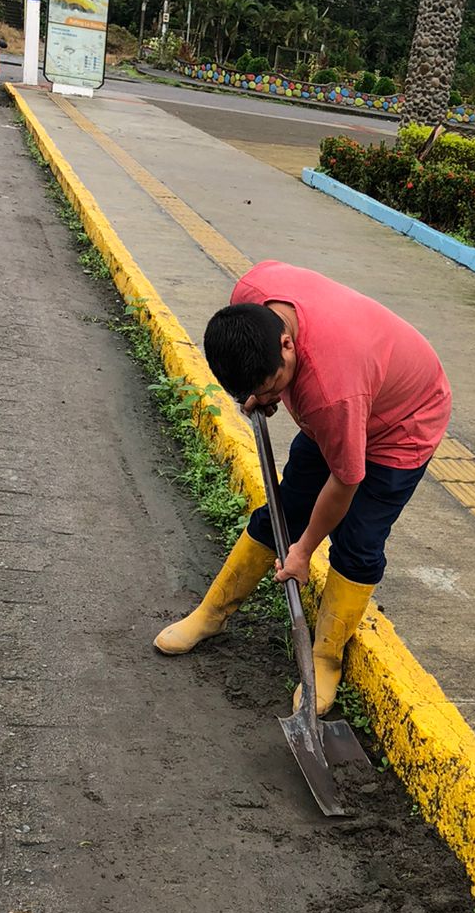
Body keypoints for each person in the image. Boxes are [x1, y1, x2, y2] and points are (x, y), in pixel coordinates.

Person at [154, 262, 452, 715]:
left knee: (359, 539)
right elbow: (266, 374)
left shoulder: (331, 392)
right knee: (286, 506)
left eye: (274, 384)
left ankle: (325, 658)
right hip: (354, 391)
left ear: (287, 343)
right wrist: (263, 391)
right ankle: (211, 614)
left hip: (402, 422)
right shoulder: (251, 296)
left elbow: (346, 479)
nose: (269, 396)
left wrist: (303, 551)